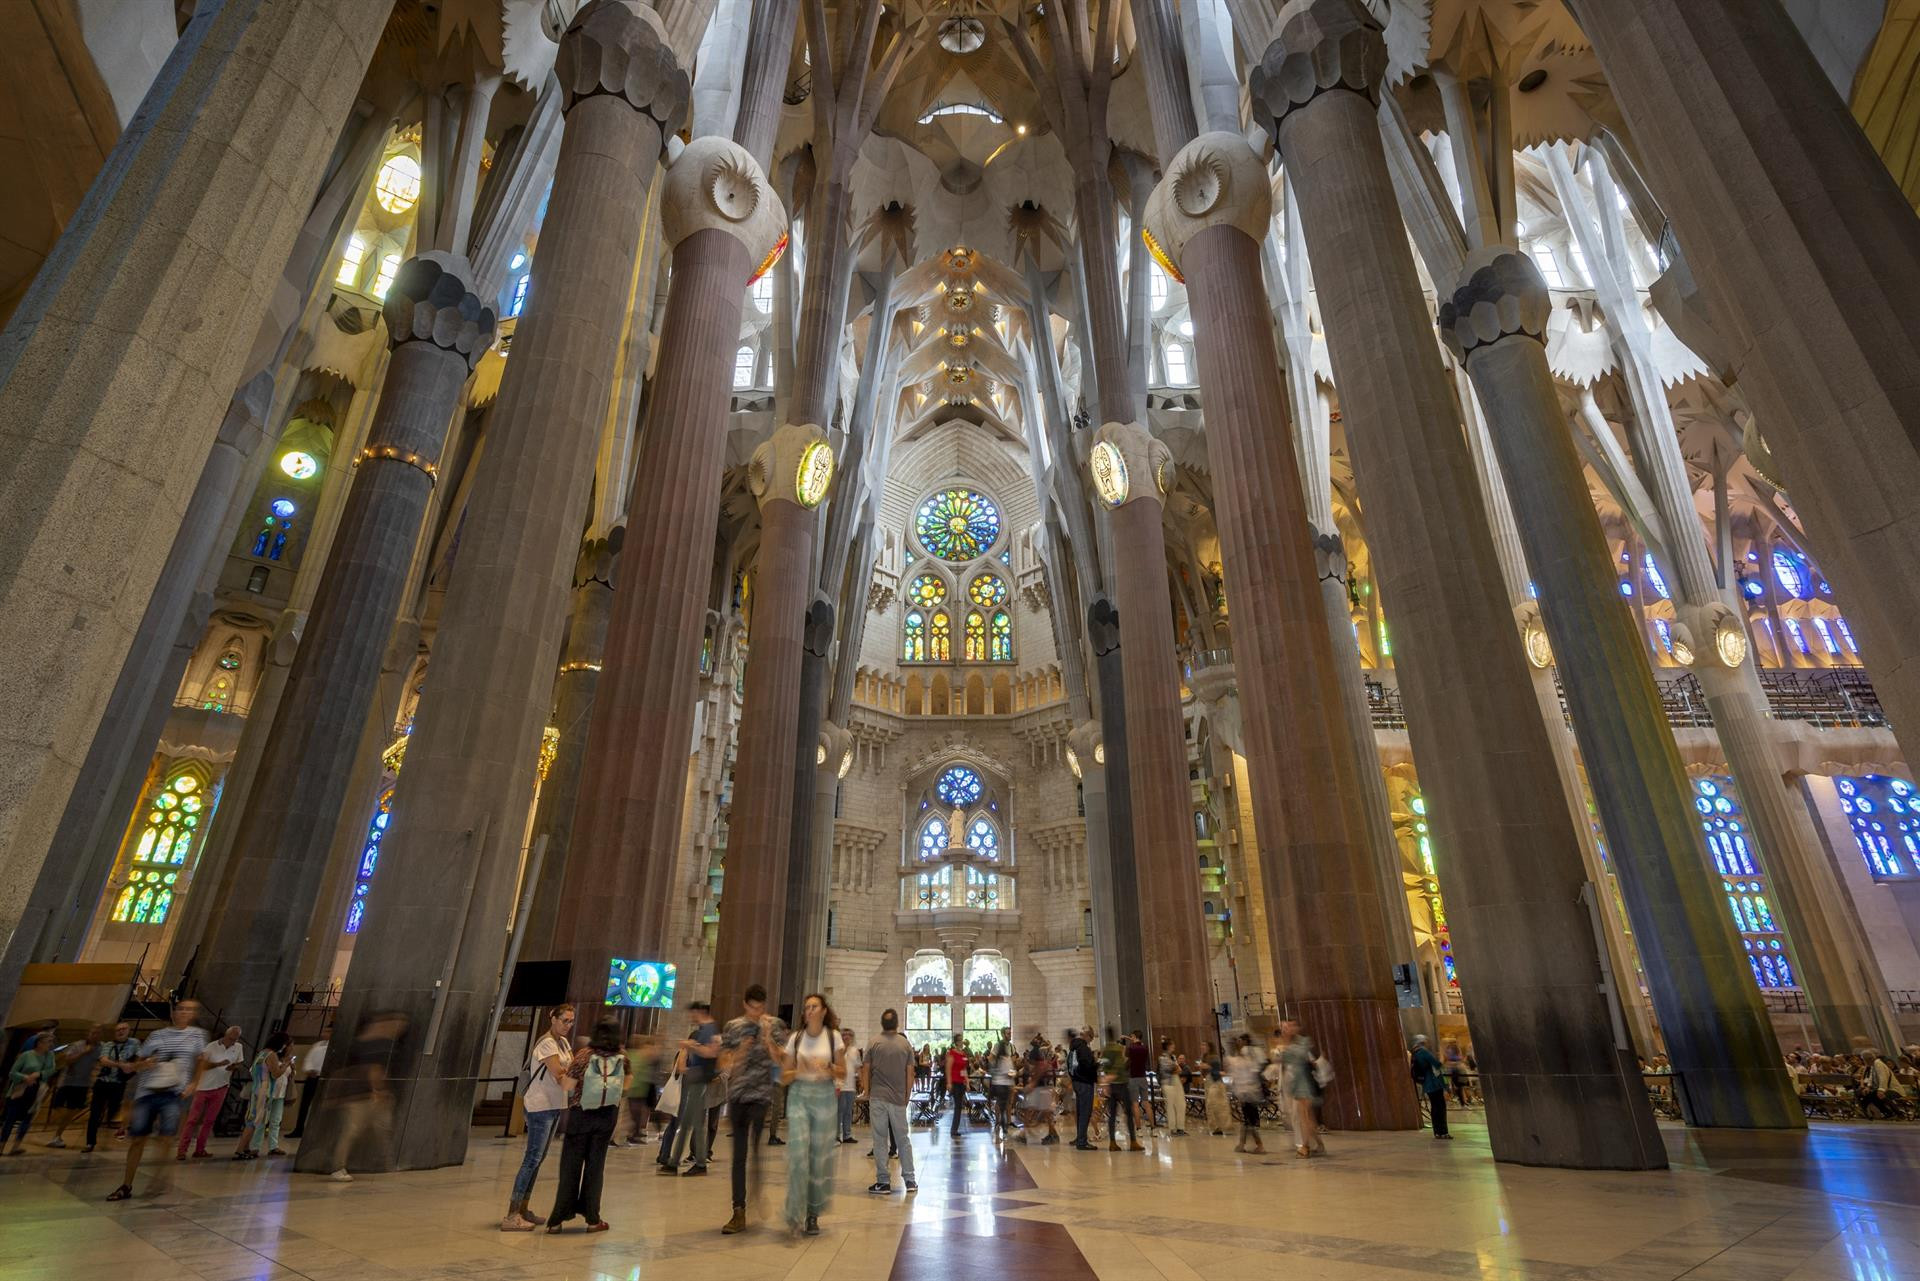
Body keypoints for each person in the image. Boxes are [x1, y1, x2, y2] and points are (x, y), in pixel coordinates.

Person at [107, 999, 209, 1200]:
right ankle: (126, 1184)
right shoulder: (157, 1035)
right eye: (180, 1009)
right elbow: (136, 1063)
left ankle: (159, 1179)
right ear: (173, 1012)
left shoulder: (197, 1035)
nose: (183, 1013)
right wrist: (143, 1064)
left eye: (188, 1010)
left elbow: (201, 1061)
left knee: (166, 1139)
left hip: (174, 1093)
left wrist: (194, 1084)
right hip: (148, 1090)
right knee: (138, 1139)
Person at [718, 984, 788, 1234]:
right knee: (739, 1155)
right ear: (745, 1005)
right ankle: (739, 1210)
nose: (757, 1012)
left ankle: (757, 1190)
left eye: (761, 1008)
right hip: (737, 1096)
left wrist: (767, 1038)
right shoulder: (733, 1027)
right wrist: (742, 1051)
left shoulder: (775, 1025)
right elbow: (724, 1063)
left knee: (756, 1149)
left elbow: (782, 1058)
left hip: (761, 1096)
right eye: (753, 1007)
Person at [547, 1018, 626, 1233]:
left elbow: (567, 1085)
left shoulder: (584, 1055)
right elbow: (626, 1085)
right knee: (595, 1167)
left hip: (581, 1115)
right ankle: (593, 1219)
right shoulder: (622, 1057)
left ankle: (557, 1220)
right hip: (607, 1116)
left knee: (570, 1167)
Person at [776, 993, 843, 1236]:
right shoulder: (796, 1038)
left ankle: (813, 1213)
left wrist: (827, 1067)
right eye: (806, 1007)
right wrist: (797, 1070)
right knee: (797, 1154)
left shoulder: (833, 1038)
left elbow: (843, 1073)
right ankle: (794, 1213)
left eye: (814, 1006)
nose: (810, 1010)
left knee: (818, 1158)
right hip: (799, 1096)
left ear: (824, 1010)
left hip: (824, 1098)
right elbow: (783, 1077)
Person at [503, 1004, 575, 1230]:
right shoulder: (546, 1043)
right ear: (552, 1018)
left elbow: (570, 1070)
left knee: (539, 1159)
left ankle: (524, 1208)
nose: (568, 1025)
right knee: (532, 1158)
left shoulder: (563, 1043)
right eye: (565, 1020)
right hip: (540, 1106)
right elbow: (559, 1073)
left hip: (555, 1104)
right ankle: (512, 1214)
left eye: (571, 1021)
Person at [316, 1009, 406, 1182]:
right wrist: (378, 1090)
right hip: (360, 1095)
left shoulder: (377, 1042)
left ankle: (388, 1163)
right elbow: (375, 1069)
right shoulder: (377, 1044)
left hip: (368, 1095)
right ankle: (338, 1166)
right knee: (353, 1130)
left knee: (381, 1129)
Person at [863, 1009, 918, 1194]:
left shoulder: (873, 1042)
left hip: (878, 1097)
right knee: (903, 1139)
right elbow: (910, 1072)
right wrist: (907, 1094)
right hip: (898, 1099)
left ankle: (883, 1182)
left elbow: (865, 1070)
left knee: (880, 1140)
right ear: (896, 1024)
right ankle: (910, 1180)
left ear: (882, 1023)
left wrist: (867, 1092)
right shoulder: (905, 1044)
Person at [661, 1002, 719, 1175]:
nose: (690, 1017)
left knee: (692, 1123)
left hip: (700, 1078)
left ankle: (693, 1163)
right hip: (696, 1078)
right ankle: (678, 1162)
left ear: (699, 1012)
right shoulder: (705, 1029)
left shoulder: (709, 1030)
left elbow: (711, 1052)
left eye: (692, 1013)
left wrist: (690, 1046)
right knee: (690, 1122)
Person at [175, 1024, 244, 1160]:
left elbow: (240, 1063)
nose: (233, 1042)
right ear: (226, 1035)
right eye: (231, 1038)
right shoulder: (211, 1046)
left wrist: (234, 1067)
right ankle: (182, 1150)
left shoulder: (238, 1047)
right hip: (203, 1087)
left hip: (222, 1086)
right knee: (192, 1120)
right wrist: (218, 1064)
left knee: (209, 1120)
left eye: (235, 1039)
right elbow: (202, 1065)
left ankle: (200, 1149)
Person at [233, 1032, 294, 1159]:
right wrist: (286, 1064)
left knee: (253, 1119)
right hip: (264, 1091)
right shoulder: (271, 1055)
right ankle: (240, 1149)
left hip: (257, 1088)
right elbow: (276, 1074)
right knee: (254, 1121)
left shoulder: (262, 1053)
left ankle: (245, 1148)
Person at [41, 1025, 104, 1148]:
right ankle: (59, 1132)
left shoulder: (101, 1048)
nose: (94, 1035)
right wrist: (84, 1052)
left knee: (74, 1109)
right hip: (67, 1082)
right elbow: (68, 1060)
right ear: (88, 1033)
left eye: (97, 1033)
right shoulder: (78, 1045)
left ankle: (58, 1136)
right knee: (57, 1106)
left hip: (83, 1084)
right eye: (92, 1032)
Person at [89, 1022, 142, 1153]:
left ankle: (115, 1127)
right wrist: (121, 1065)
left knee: (114, 1110)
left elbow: (140, 1059)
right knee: (95, 1113)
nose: (120, 1031)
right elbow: (104, 1060)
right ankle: (90, 1142)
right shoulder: (108, 1045)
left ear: (129, 1030)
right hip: (103, 1082)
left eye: (124, 1029)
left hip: (119, 1084)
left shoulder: (134, 1043)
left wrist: (133, 1067)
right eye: (118, 1029)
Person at [3, 1029, 58, 1154]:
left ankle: (16, 1146)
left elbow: (51, 1070)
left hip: (36, 1090)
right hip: (21, 1089)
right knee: (10, 1118)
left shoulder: (50, 1056)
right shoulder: (26, 1055)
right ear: (39, 1043)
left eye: (51, 1042)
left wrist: (39, 1074)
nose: (50, 1044)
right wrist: (25, 1077)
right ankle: (2, 1144)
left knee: (27, 1118)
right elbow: (12, 1073)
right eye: (48, 1042)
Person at [1277, 1020, 1322, 1159]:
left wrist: (1286, 1045)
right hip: (1294, 1083)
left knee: (1304, 1117)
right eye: (1286, 1026)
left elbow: (1300, 1055)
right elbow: (1283, 1059)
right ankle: (1319, 1144)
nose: (1288, 1029)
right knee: (1308, 1118)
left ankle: (1305, 1147)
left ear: (1297, 1027)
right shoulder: (1286, 1043)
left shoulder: (1303, 1041)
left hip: (1305, 1083)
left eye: (1291, 1025)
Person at [1099, 1027, 1139, 1150]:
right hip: (1121, 1083)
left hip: (1111, 1086)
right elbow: (1119, 1066)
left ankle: (1112, 1143)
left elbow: (1104, 1065)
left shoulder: (1105, 1050)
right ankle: (1133, 1142)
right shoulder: (1118, 1048)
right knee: (1128, 1112)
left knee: (1112, 1115)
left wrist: (1106, 1083)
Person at [619, 1031, 657, 1146]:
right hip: (634, 1090)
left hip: (639, 1091)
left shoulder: (637, 1055)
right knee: (633, 1115)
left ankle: (632, 1135)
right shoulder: (635, 1055)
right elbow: (633, 1073)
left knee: (636, 1115)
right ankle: (629, 1135)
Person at [1410, 1035, 1450, 1140]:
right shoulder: (1424, 1052)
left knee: (1434, 1107)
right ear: (1422, 1042)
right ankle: (1443, 1132)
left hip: (1427, 1085)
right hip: (1434, 1083)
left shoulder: (1416, 1054)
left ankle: (1437, 1132)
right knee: (1440, 1107)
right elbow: (1437, 1065)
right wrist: (1442, 1058)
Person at [1022, 1033, 1059, 1144]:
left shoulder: (1036, 1052)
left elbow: (1040, 1068)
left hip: (1040, 1086)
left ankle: (1023, 1134)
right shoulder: (1040, 1051)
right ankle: (1023, 1134)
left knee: (1033, 1110)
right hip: (1041, 1085)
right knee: (1039, 1111)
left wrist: (1033, 1083)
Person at [288, 1034, 326, 1138]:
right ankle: (299, 1129)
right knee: (304, 1104)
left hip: (323, 1078)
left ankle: (316, 1131)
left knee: (321, 1106)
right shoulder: (317, 1045)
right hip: (312, 1077)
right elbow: (308, 1059)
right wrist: (309, 1069)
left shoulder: (333, 1046)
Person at [1067, 1027, 1097, 1149]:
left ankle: (1079, 1137)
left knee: (1080, 1111)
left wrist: (1074, 1078)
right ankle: (1082, 1141)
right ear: (1087, 1036)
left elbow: (1070, 1065)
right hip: (1085, 1082)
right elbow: (1087, 1065)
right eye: (1091, 1038)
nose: (1090, 1041)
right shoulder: (1083, 1048)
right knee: (1085, 1112)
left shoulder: (1073, 1048)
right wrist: (1096, 1064)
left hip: (1076, 1082)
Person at [1125, 1030, 1153, 1138]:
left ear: (1134, 1036)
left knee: (1135, 1104)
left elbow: (1126, 1059)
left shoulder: (1131, 1048)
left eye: (1131, 1036)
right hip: (1143, 1077)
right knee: (1146, 1103)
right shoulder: (1145, 1048)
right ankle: (1152, 1128)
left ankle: (1139, 1129)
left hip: (1133, 1078)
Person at [989, 1030, 1017, 1138]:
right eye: (1007, 1033)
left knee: (1008, 1103)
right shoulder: (997, 1046)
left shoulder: (1011, 1046)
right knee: (1000, 1104)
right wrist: (996, 1071)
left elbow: (1013, 1062)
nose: (1009, 1035)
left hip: (1009, 1080)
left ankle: (1007, 1123)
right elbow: (991, 1059)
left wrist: (1012, 1072)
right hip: (999, 1081)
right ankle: (998, 1122)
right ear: (1002, 1034)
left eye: (1010, 1033)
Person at [1859, 1049, 1901, 1119]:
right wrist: (1868, 1087)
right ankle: (1888, 1113)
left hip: (1894, 1089)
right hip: (1886, 1089)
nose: (1863, 1061)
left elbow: (1883, 1078)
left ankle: (1898, 1114)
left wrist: (1881, 1090)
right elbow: (1871, 1078)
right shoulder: (1873, 1065)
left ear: (1868, 1059)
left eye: (1863, 1059)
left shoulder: (1878, 1064)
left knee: (1879, 1096)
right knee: (1869, 1096)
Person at [837, 1027, 862, 1143]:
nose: (846, 1037)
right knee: (839, 1111)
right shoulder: (837, 1049)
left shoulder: (855, 1051)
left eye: (849, 1035)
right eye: (844, 1035)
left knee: (848, 1111)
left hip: (850, 1086)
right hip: (839, 1085)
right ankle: (836, 1135)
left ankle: (847, 1135)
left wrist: (862, 1082)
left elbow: (858, 1068)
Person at [945, 1036, 969, 1138]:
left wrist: (967, 1082)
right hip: (954, 1082)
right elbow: (948, 1068)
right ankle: (954, 1129)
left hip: (961, 1082)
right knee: (958, 1106)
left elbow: (964, 1069)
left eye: (962, 1040)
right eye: (960, 1040)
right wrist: (949, 1083)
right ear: (956, 1042)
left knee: (959, 1106)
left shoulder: (963, 1054)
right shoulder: (952, 1053)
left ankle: (955, 1129)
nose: (962, 1042)